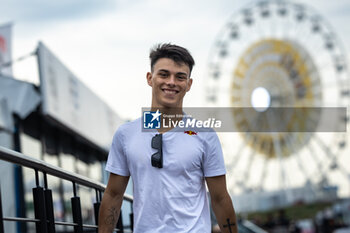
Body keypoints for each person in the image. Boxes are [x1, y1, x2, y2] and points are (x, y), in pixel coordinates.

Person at [98, 43, 238, 233]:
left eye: (180, 77)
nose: (171, 82)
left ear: (188, 84)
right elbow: (113, 194)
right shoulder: (126, 135)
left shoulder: (205, 135)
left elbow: (220, 198)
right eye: (164, 74)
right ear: (150, 78)